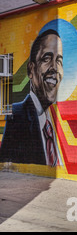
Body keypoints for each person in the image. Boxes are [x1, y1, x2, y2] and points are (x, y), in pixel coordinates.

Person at [0, 30, 63, 166]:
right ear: (30, 70)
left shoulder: (54, 121)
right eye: (47, 59)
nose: (55, 68)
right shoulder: (17, 116)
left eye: (59, 61)